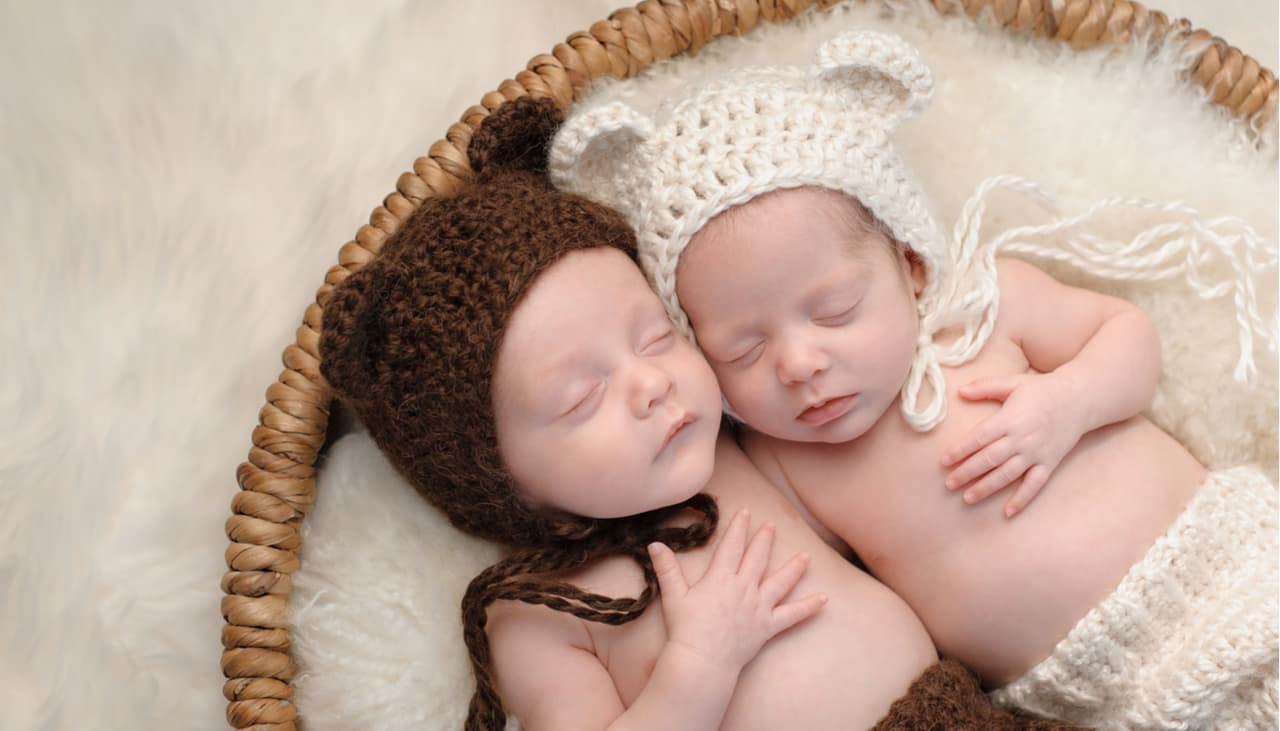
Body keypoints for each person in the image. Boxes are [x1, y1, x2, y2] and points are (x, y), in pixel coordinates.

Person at [549, 30, 1279, 730]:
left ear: (912, 265)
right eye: (742, 350)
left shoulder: (982, 312)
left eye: (835, 310)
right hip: (1090, 694)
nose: (799, 364)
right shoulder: (780, 463)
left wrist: (1070, 402)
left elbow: (1127, 336)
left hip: (1229, 564)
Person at [319, 95, 1091, 730]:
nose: (651, 384)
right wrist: (698, 666)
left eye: (656, 336)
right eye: (583, 397)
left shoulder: (733, 454)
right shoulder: (538, 615)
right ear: (495, 479)